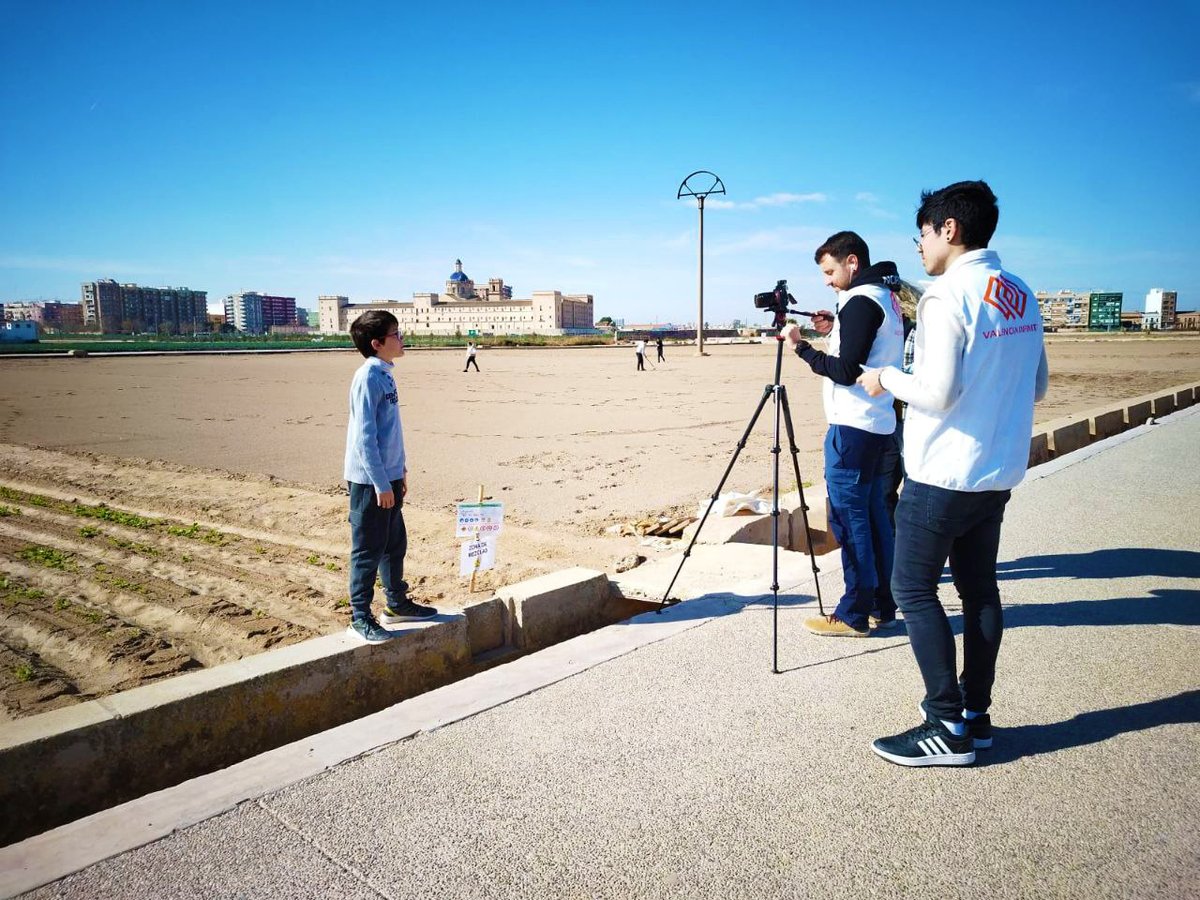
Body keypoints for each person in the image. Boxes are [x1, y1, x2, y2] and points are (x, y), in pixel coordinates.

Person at [858, 180, 1048, 766]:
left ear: (949, 230)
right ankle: (976, 714)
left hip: (942, 475)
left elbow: (936, 394)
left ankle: (944, 724)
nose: (917, 247)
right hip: (996, 473)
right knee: (979, 590)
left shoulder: (946, 295)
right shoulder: (1018, 290)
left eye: (922, 233)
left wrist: (885, 378)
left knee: (911, 589)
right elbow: (1037, 384)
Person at [783, 231, 905, 637]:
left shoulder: (860, 301)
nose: (827, 280)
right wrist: (835, 327)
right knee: (874, 519)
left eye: (830, 271)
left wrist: (801, 348)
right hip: (879, 425)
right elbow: (865, 347)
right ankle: (882, 605)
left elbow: (845, 370)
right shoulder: (884, 296)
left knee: (850, 520)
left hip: (853, 429)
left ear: (852, 262)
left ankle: (853, 614)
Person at [343, 310, 437, 643]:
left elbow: (390, 433)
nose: (402, 338)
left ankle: (396, 604)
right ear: (376, 343)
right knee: (368, 550)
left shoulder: (385, 373)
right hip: (370, 483)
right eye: (395, 334)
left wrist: (401, 472)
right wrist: (382, 483)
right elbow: (364, 438)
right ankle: (360, 616)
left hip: (390, 477)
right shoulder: (367, 376)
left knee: (394, 544)